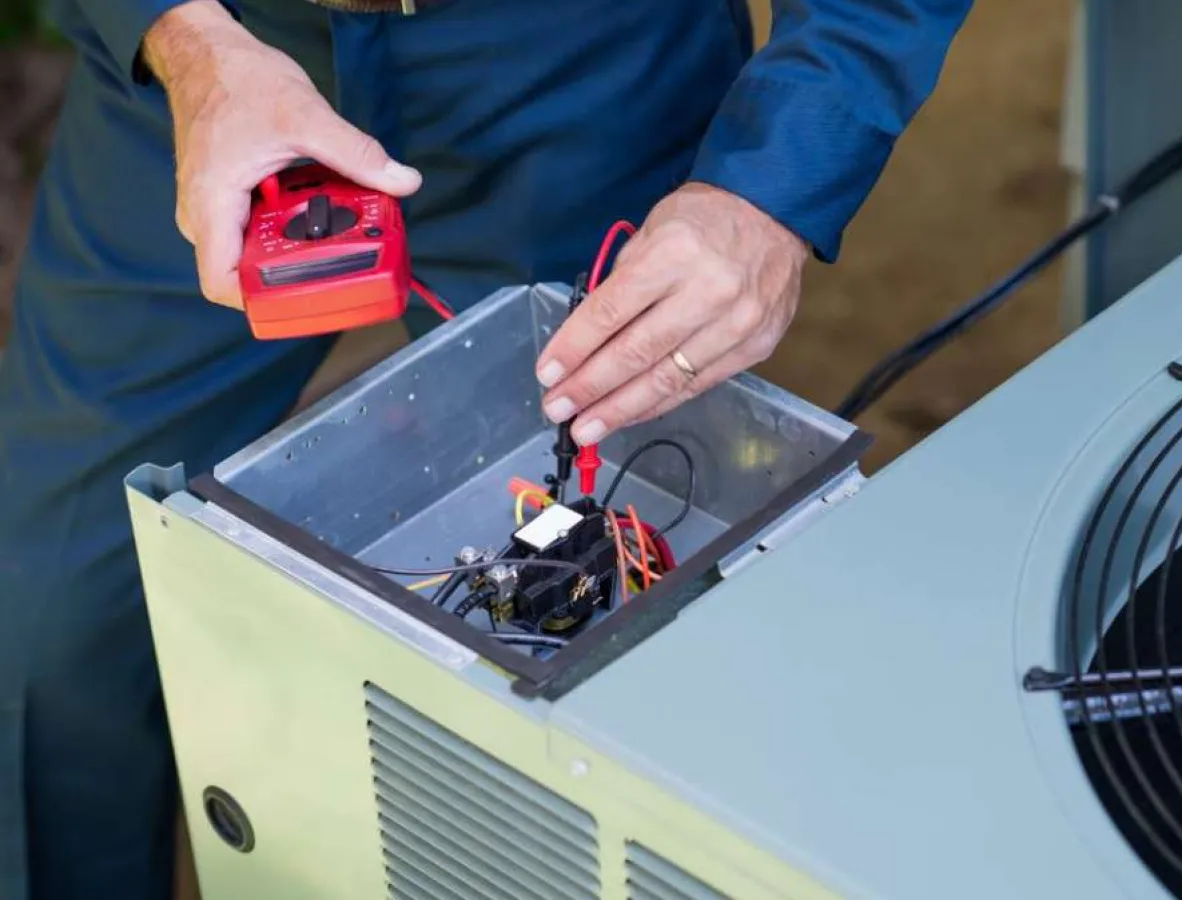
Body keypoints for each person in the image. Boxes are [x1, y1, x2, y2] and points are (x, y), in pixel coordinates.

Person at [0, 0, 973, 896]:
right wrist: (184, 41)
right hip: (219, 72)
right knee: (47, 620)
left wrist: (770, 190)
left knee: (606, 658)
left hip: (583, 67)